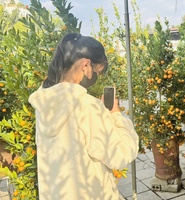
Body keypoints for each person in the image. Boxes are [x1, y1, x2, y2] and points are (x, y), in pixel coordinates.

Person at [28, 33, 139, 200]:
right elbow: (120, 155)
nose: (95, 77)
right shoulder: (87, 106)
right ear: (86, 65)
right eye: (97, 71)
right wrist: (116, 116)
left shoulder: (45, 103)